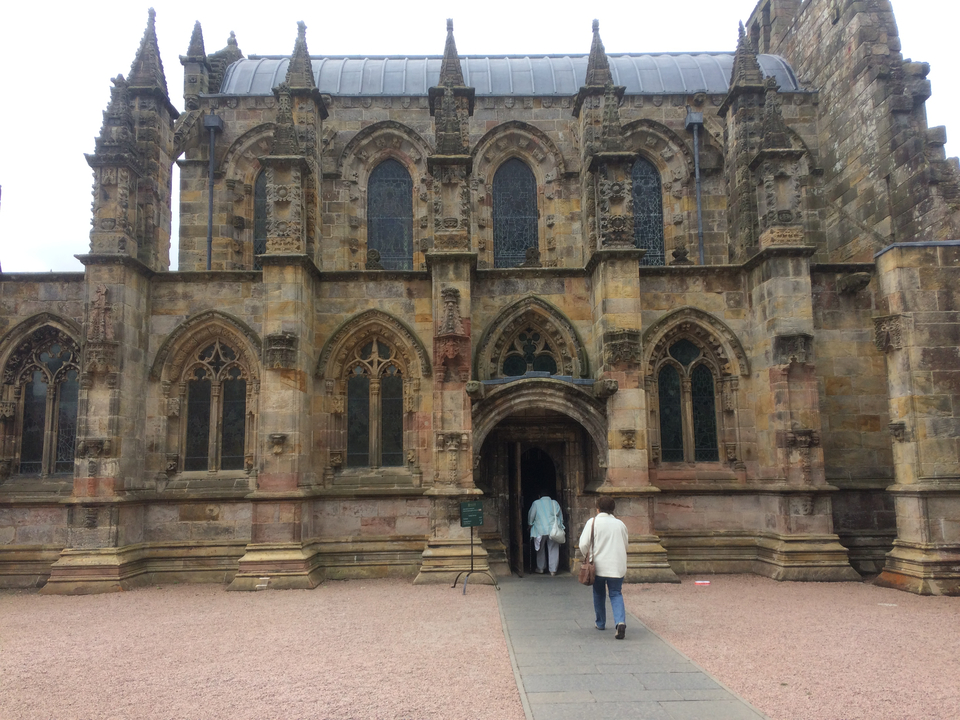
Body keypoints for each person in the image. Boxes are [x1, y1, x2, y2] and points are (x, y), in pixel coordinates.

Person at [578, 496, 629, 639]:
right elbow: (625, 544)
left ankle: (600, 622)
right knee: (615, 593)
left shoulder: (593, 522)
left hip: (598, 565)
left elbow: (583, 544)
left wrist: (588, 556)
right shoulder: (620, 524)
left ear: (598, 508)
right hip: (617, 565)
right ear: (613, 509)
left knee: (599, 593)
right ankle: (620, 622)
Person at [528, 493, 564, 575]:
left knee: (540, 549)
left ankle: (540, 568)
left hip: (540, 529)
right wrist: (561, 525)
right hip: (553, 530)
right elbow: (560, 516)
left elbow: (531, 515)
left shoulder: (536, 503)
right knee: (553, 548)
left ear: (539, 496)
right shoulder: (554, 503)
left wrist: (530, 524)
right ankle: (553, 570)